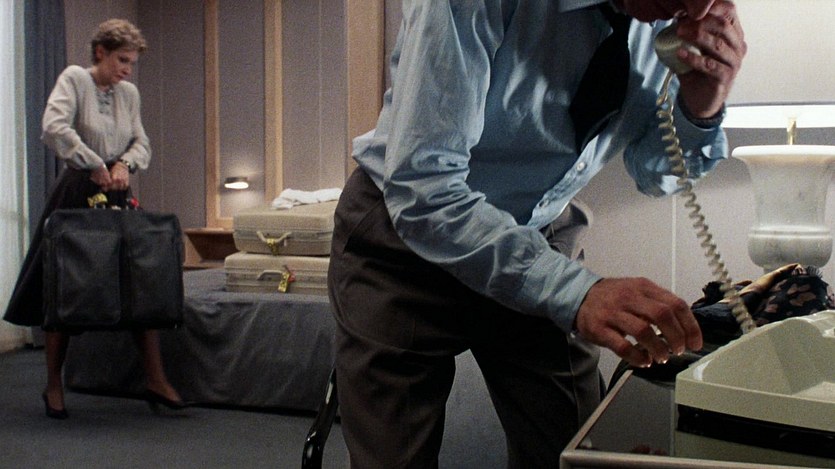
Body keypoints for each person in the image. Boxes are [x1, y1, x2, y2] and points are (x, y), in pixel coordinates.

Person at [327, 0, 745, 466]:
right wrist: (578, 293)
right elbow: (424, 188)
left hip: (532, 234)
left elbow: (654, 172)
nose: (700, 7)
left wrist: (701, 107)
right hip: (402, 240)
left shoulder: (669, 16)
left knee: (576, 452)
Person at [3, 19, 185, 419]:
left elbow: (141, 141)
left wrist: (124, 163)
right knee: (65, 285)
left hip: (117, 192)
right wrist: (93, 163)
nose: (127, 70)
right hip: (77, 192)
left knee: (138, 282)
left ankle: (156, 379)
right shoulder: (74, 79)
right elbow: (54, 127)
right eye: (122, 60)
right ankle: (53, 385)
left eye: (132, 63)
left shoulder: (129, 94)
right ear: (100, 52)